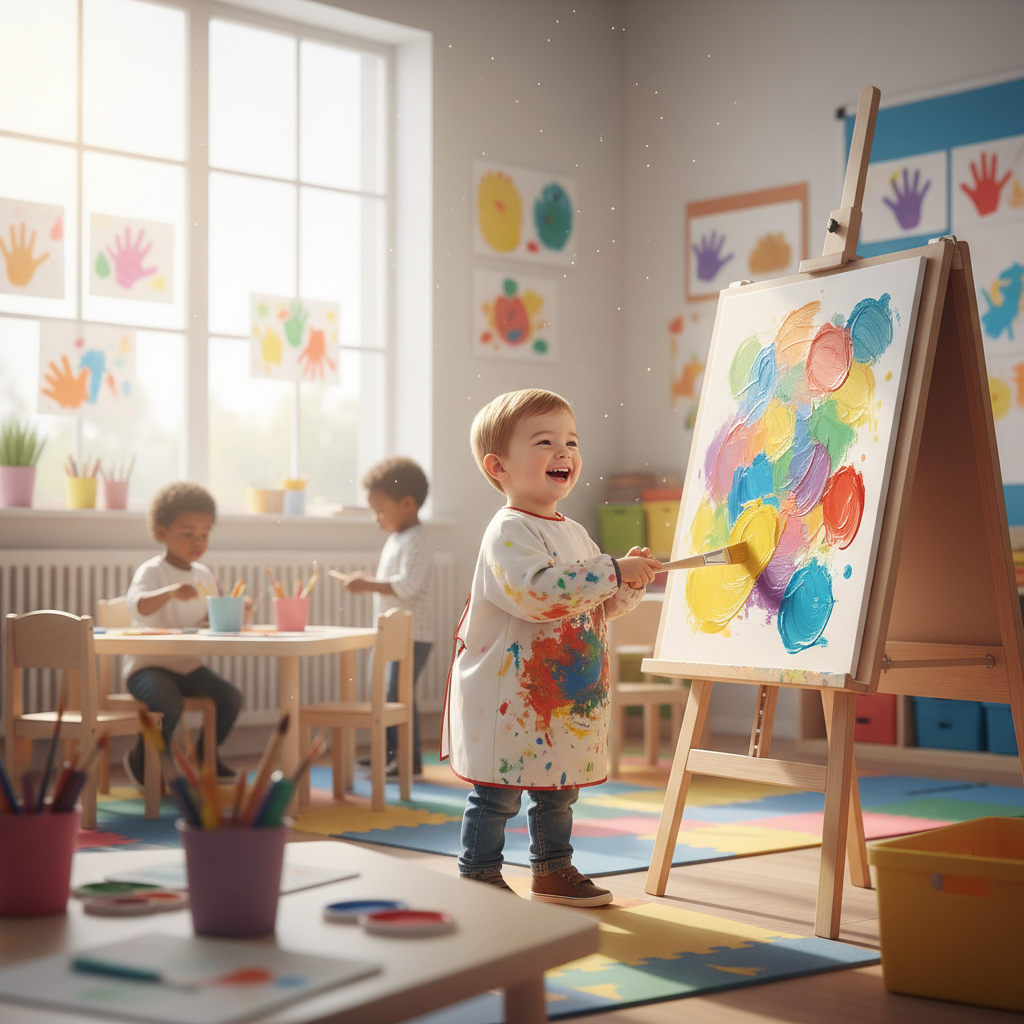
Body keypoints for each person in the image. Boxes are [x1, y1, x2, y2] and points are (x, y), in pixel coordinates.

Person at [442, 388, 662, 906]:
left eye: (571, 441)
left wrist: (626, 584)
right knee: (497, 793)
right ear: (500, 466)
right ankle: (478, 873)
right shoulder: (508, 530)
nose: (564, 452)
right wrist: (610, 570)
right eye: (545, 442)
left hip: (563, 697)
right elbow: (536, 594)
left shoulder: (578, 534)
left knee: (559, 793)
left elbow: (593, 608)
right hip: (511, 696)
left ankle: (552, 869)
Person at [121, 482, 242, 790]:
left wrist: (234, 613)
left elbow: (205, 619)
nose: (197, 541)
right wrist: (169, 592)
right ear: (162, 533)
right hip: (147, 666)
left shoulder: (203, 574)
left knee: (230, 698)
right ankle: (143, 758)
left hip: (187, 666)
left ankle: (205, 754)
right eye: (188, 533)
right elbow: (137, 606)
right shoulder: (152, 571)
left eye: (204, 533)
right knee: (168, 703)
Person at [334, 456, 434, 776]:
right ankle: (391, 754)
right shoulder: (399, 538)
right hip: (394, 634)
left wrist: (367, 584)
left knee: (398, 695)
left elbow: (406, 586)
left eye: (379, 510)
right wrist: (369, 580)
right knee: (385, 694)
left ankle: (408, 758)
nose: (376, 518)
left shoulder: (417, 539)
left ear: (407, 504)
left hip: (411, 634)